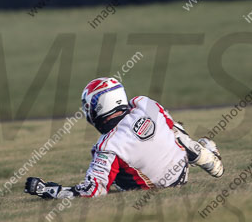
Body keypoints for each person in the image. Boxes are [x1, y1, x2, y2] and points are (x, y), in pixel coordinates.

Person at [24, 77, 224, 200]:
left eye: (87, 106)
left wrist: (50, 190)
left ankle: (203, 155)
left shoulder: (107, 146)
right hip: (182, 173)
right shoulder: (144, 103)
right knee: (174, 129)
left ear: (98, 106)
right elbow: (171, 128)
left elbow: (93, 191)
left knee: (115, 173)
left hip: (157, 188)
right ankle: (205, 156)